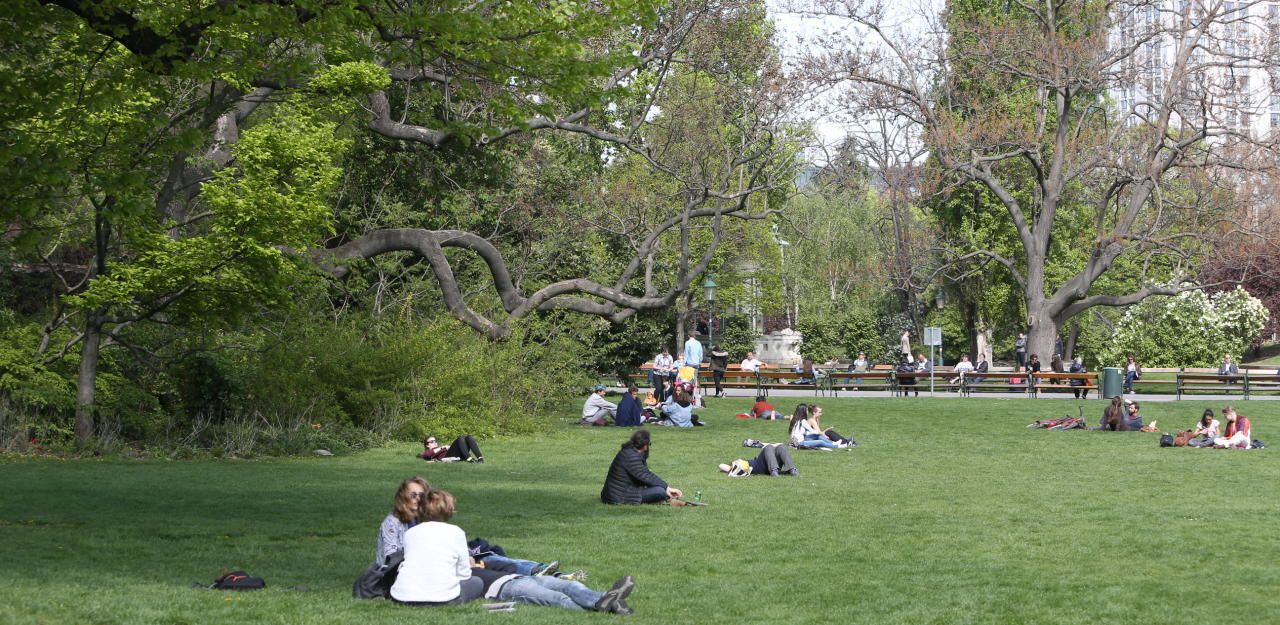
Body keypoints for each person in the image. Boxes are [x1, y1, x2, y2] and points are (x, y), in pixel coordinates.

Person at [389, 489, 484, 606]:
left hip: (403, 596)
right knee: (477, 582)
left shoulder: (410, 533)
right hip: (444, 597)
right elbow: (464, 574)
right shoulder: (456, 532)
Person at [470, 567, 636, 615]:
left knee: (571, 586)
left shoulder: (477, 563)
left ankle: (604, 599)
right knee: (557, 598)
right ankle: (609, 605)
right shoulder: (461, 577)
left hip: (521, 577)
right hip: (506, 588)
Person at [600, 429, 686, 505]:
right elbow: (645, 476)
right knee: (660, 491)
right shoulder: (631, 456)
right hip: (619, 496)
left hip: (613, 493)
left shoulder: (628, 451)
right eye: (649, 444)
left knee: (659, 489)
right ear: (645, 445)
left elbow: (644, 475)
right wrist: (666, 488)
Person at [718, 444, 799, 477]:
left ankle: (792, 469)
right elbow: (721, 465)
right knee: (768, 447)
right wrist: (733, 464)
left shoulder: (747, 461)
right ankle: (774, 470)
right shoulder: (737, 468)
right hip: (760, 465)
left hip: (768, 462)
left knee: (782, 447)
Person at [419, 435, 484, 463]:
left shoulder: (440, 447)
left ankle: (480, 459)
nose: (435, 442)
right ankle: (469, 459)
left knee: (469, 437)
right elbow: (425, 455)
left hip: (456, 454)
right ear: (427, 445)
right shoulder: (428, 451)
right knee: (460, 438)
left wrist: (449, 447)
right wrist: (442, 447)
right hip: (448, 457)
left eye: (435, 440)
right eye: (432, 441)